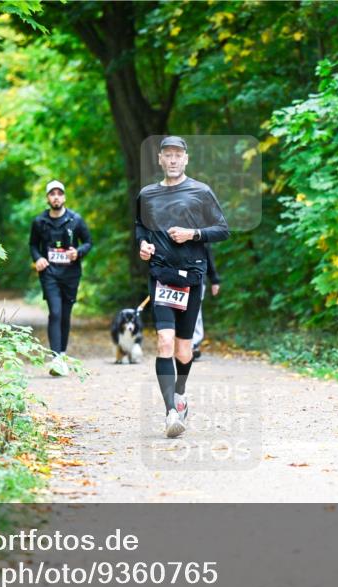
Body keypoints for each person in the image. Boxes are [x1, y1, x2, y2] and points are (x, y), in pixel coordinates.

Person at [136, 136, 229, 437]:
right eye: (167, 155)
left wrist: (193, 234)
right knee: (164, 341)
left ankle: (180, 393)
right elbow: (140, 227)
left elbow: (222, 229)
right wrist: (143, 245)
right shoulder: (147, 195)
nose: (173, 160)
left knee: (184, 351)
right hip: (161, 276)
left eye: (178, 155)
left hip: (191, 277)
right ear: (160, 160)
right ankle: (170, 413)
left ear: (186, 159)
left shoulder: (201, 192)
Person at [29, 180, 92, 376]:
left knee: (65, 314)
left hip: (71, 274)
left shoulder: (76, 220)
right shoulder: (39, 221)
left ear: (64, 197)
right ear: (47, 198)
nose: (56, 196)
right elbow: (32, 245)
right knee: (55, 312)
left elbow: (88, 242)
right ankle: (56, 358)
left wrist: (78, 252)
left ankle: (62, 355)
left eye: (59, 193)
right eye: (52, 193)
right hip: (49, 273)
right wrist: (38, 258)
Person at [191, 245, 221, 360]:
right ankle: (184, 344)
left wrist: (214, 280)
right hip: (177, 280)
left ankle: (193, 345)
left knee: (195, 313)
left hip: (198, 281)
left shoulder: (200, 235)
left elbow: (208, 257)